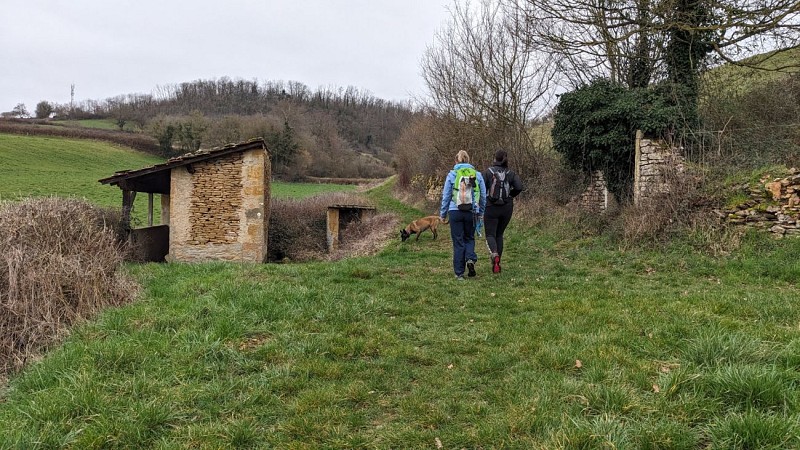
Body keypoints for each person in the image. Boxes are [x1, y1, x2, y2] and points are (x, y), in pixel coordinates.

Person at [440, 150, 486, 280]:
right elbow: (483, 196)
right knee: (469, 238)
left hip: (455, 211)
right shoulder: (477, 175)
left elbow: (446, 196)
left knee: (458, 241)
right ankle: (470, 258)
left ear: (456, 161)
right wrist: (481, 212)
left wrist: (443, 214)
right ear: (468, 160)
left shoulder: (452, 175)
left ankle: (459, 273)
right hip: (472, 211)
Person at [482, 149, 525, 274]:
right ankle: (497, 263)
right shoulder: (511, 173)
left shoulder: (488, 172)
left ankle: (494, 253)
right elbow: (519, 187)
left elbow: (481, 187)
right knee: (499, 234)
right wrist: (510, 196)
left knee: (490, 234)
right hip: (506, 207)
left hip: (491, 206)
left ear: (494, 158)